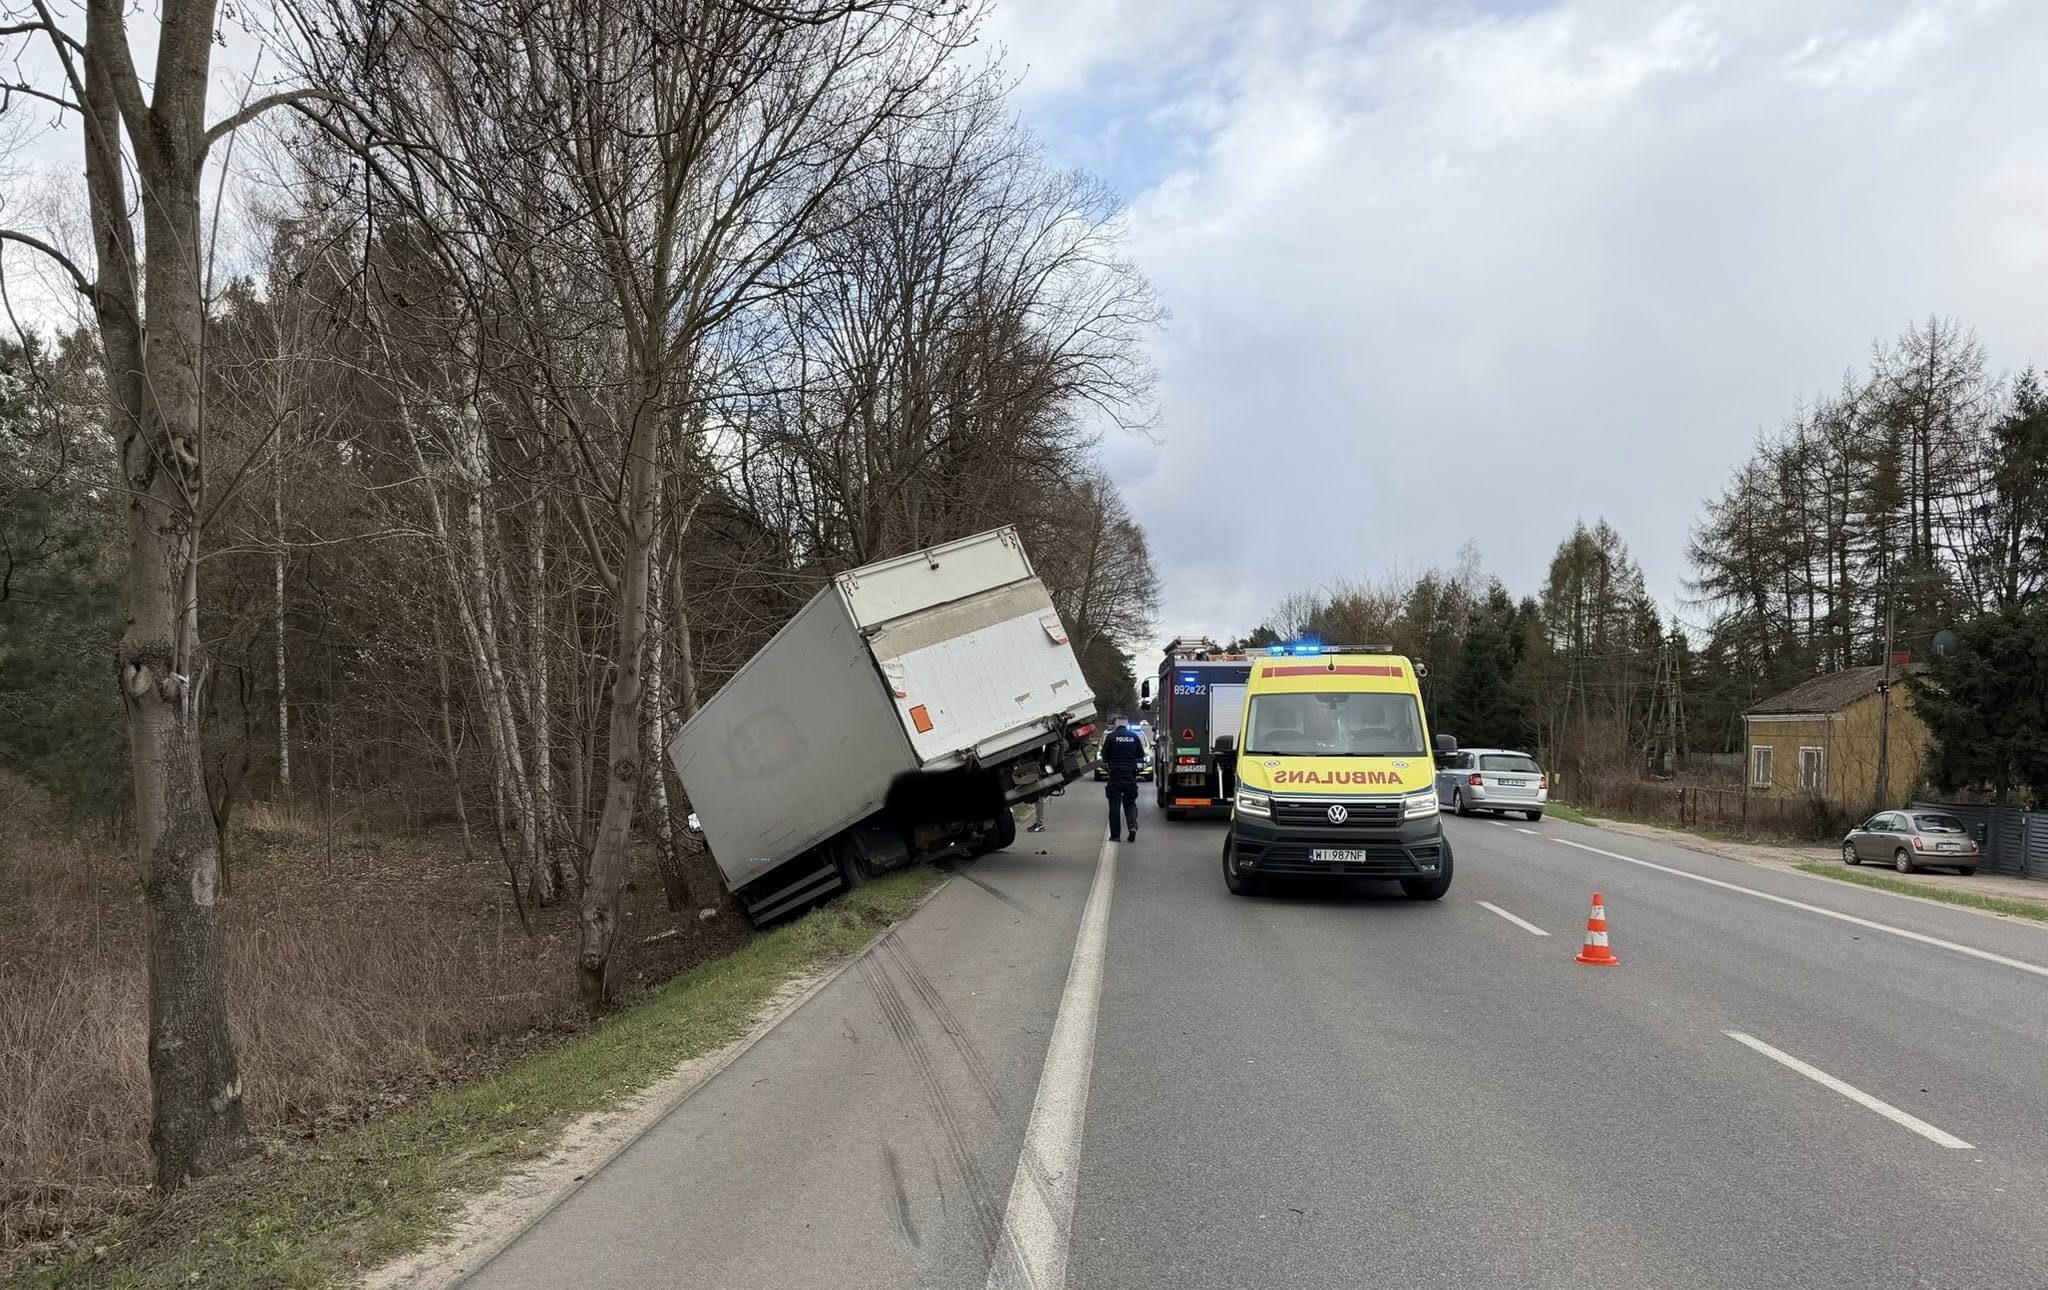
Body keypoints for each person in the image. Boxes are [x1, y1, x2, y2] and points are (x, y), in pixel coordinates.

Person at [1101, 714, 1145, 843]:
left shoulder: (1111, 736)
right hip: (1130, 775)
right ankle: (1132, 826)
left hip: (1115, 775)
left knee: (1114, 805)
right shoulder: (1134, 736)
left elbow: (1104, 756)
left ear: (1116, 723)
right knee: (1130, 803)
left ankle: (1115, 836)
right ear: (1126, 723)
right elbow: (1141, 754)